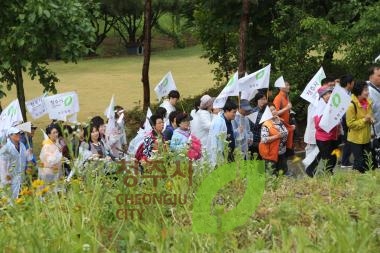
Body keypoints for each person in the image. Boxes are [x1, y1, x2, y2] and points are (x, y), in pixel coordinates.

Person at [346, 81, 374, 173]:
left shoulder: (368, 102)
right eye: (365, 90)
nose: (367, 92)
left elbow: (370, 116)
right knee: (359, 162)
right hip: (356, 139)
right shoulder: (351, 105)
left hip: (366, 137)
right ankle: (356, 181)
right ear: (359, 92)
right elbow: (350, 124)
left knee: (368, 161)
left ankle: (366, 181)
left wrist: (371, 120)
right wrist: (364, 120)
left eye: (367, 90)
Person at [313, 86, 340, 175]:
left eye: (330, 93)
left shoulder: (332, 104)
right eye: (325, 94)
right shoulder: (319, 108)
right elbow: (318, 126)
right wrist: (332, 123)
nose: (328, 95)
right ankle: (327, 176)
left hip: (332, 137)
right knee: (328, 159)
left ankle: (329, 174)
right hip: (323, 139)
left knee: (334, 157)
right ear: (321, 97)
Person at [0, 127, 32, 199]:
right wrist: (6, 181)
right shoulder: (5, 149)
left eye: (19, 133)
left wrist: (29, 154)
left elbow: (24, 158)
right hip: (10, 181)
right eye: (16, 134)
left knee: (22, 200)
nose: (18, 135)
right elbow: (2, 167)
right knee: (11, 202)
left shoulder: (22, 145)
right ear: (10, 136)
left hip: (21, 179)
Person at [207, 99, 238, 167]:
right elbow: (214, 141)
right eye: (234, 112)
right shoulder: (219, 122)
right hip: (221, 156)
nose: (235, 114)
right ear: (227, 111)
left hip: (229, 154)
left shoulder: (229, 121)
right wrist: (216, 161)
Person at [259, 104, 288, 175]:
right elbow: (264, 139)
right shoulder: (266, 124)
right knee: (272, 175)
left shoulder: (278, 120)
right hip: (271, 154)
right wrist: (277, 136)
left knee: (282, 173)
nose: (274, 111)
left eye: (274, 109)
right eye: (271, 110)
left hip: (282, 152)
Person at [273, 81, 295, 156]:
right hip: (282, 128)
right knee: (282, 151)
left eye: (288, 85)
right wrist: (286, 108)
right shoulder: (278, 98)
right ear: (280, 87)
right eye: (286, 85)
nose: (288, 87)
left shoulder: (286, 97)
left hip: (288, 126)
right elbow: (274, 114)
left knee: (287, 150)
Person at [340, 74, 355, 168]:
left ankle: (345, 161)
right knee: (348, 141)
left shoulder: (348, 93)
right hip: (345, 121)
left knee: (349, 140)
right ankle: (344, 162)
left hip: (347, 120)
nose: (354, 84)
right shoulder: (343, 94)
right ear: (348, 84)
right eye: (353, 82)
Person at [249, 92, 268, 158]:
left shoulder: (267, 111)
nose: (264, 101)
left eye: (265, 99)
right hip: (256, 142)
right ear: (257, 100)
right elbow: (252, 127)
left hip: (266, 140)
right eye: (262, 99)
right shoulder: (253, 111)